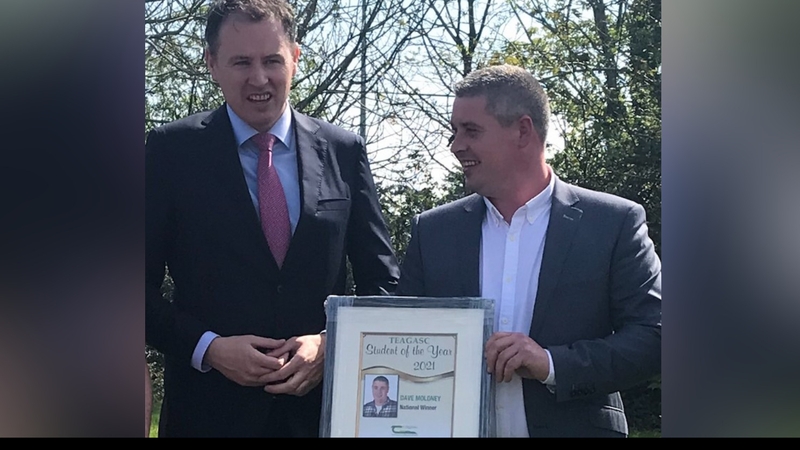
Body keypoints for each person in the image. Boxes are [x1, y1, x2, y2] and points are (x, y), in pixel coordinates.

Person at [145, 0, 400, 437]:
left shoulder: (343, 151)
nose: (258, 78)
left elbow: (384, 284)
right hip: (208, 415)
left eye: (272, 61)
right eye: (241, 62)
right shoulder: (171, 152)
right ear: (211, 63)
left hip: (321, 416)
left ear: (296, 58)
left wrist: (330, 344)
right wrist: (209, 349)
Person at [396, 64, 661, 437]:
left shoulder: (612, 223)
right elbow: (398, 337)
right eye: (454, 132)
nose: (456, 146)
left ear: (523, 131)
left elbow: (655, 336)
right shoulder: (433, 231)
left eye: (471, 131)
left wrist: (552, 363)